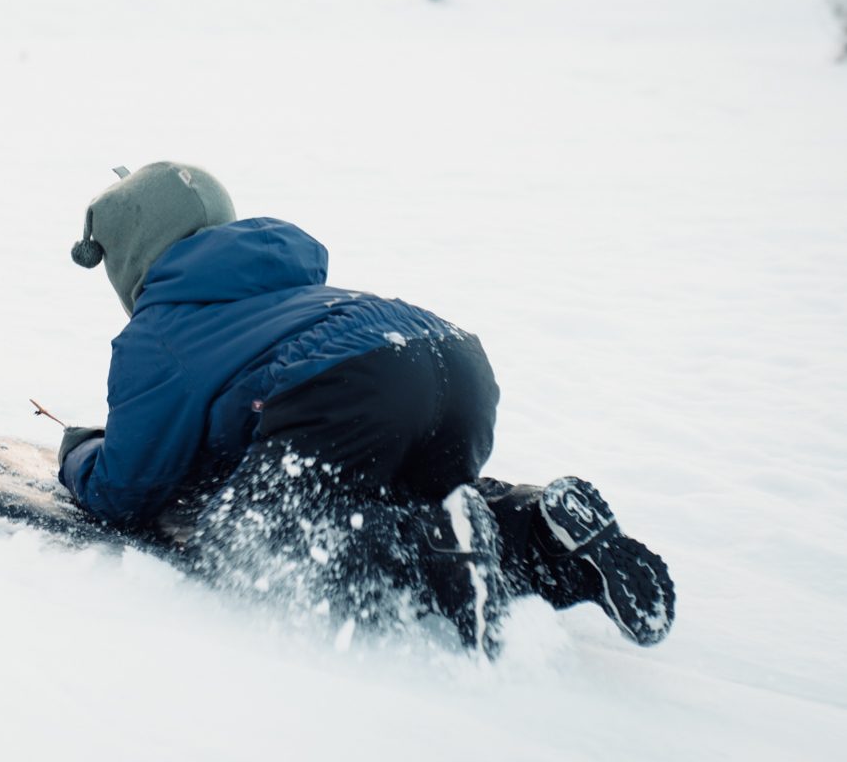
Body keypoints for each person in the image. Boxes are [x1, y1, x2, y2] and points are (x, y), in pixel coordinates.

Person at [58, 162, 675, 656]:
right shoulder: (282, 283)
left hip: (344, 387)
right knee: (406, 498)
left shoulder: (160, 331)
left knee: (253, 539)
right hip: (448, 360)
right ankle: (546, 533)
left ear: (132, 254)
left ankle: (430, 551)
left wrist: (81, 450)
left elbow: (125, 490)